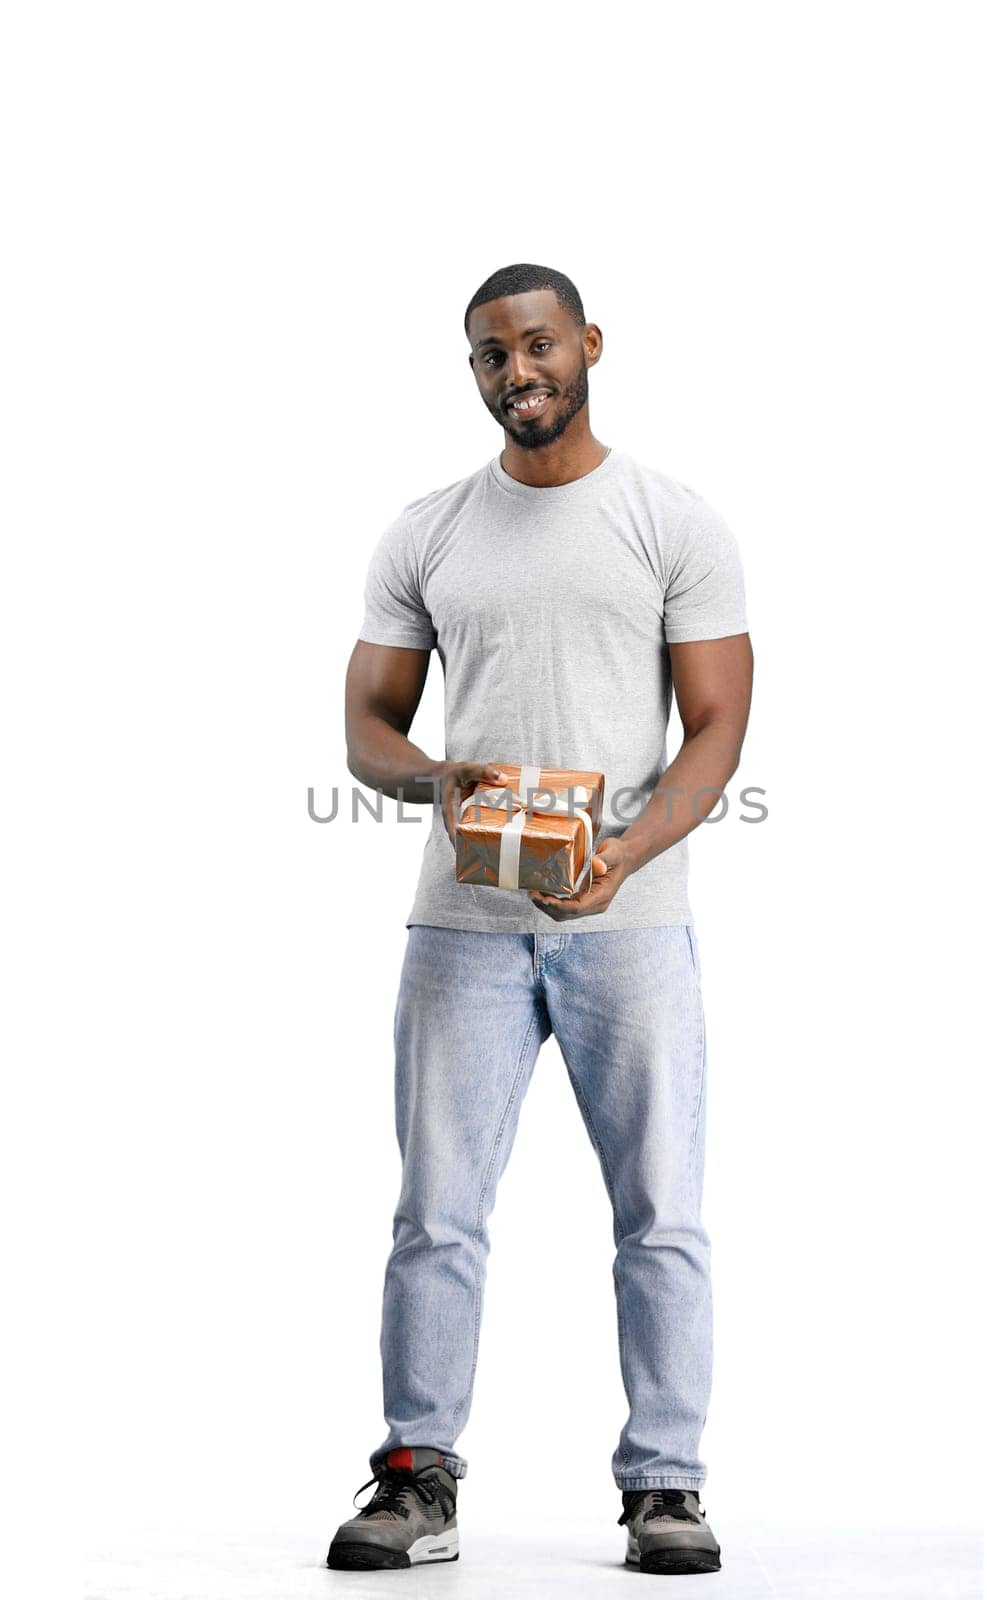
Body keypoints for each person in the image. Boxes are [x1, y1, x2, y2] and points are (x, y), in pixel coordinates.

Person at [326, 263, 753, 1576]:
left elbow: (718, 730)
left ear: (589, 346)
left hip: (632, 927)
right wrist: (429, 779)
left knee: (661, 1213)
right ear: (475, 374)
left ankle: (666, 1485)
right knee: (437, 1211)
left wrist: (623, 854)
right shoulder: (428, 531)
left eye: (539, 345)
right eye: (492, 356)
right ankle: (416, 1476)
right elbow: (367, 728)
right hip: (461, 929)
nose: (520, 372)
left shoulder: (672, 522)